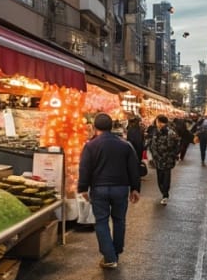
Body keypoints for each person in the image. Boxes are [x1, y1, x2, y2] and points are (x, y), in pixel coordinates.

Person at [77, 113, 142, 269]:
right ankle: (116, 252)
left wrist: (83, 188)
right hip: (120, 189)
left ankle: (109, 257)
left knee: (101, 221)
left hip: (99, 189)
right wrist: (135, 188)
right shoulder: (125, 145)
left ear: (94, 127)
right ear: (112, 127)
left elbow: (84, 168)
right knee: (119, 220)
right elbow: (134, 168)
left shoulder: (90, 146)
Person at [146, 114, 181, 205]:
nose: (156, 123)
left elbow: (177, 146)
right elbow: (152, 143)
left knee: (165, 178)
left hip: (167, 160)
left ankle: (165, 195)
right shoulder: (155, 131)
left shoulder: (170, 133)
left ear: (160, 122)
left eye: (157, 121)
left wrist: (172, 155)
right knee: (160, 179)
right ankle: (164, 193)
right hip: (158, 159)